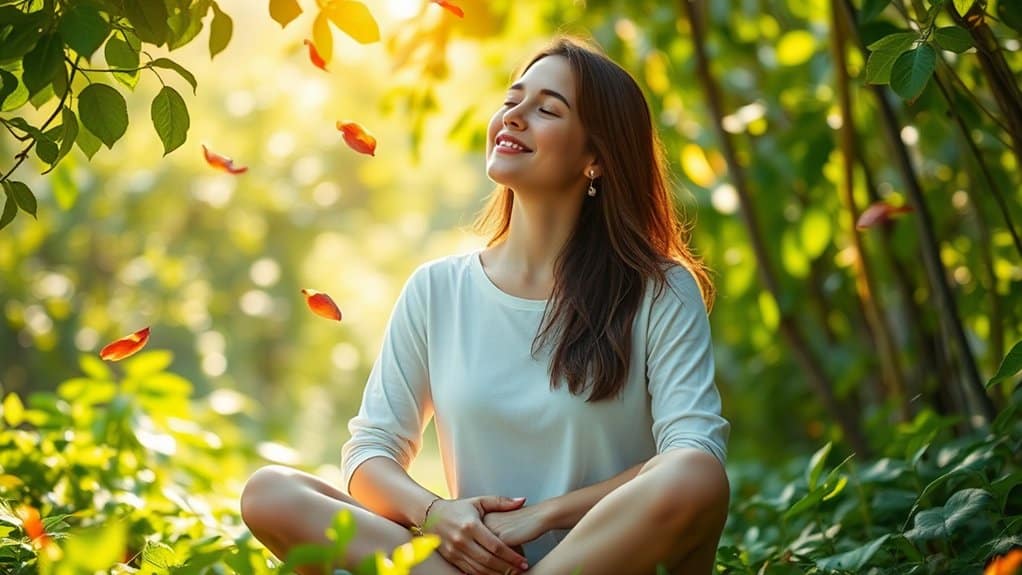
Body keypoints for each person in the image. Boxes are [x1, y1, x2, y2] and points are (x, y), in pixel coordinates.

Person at [240, 36, 730, 575]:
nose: (514, 116)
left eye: (546, 109)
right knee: (271, 492)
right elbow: (369, 453)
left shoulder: (657, 289)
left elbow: (692, 451)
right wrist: (437, 515)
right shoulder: (437, 290)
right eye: (511, 100)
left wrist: (542, 516)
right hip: (469, 568)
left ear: (596, 157)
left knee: (694, 474)